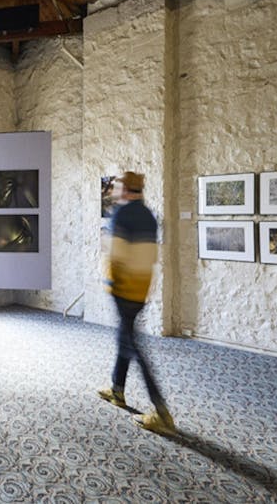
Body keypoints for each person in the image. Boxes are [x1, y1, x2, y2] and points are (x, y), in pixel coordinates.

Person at [97, 171, 174, 434]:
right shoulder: (149, 216)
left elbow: (116, 256)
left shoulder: (122, 214)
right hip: (141, 288)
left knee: (133, 345)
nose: (115, 191)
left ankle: (162, 412)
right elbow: (152, 257)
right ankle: (117, 389)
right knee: (124, 337)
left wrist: (110, 284)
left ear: (128, 190)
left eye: (118, 187)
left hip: (123, 289)